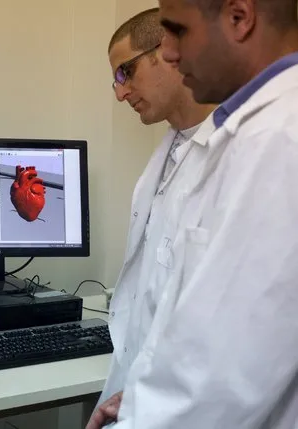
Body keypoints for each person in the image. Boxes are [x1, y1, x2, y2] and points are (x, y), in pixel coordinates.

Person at [89, 0, 298, 427]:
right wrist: (142, 395)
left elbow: (229, 369)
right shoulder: (235, 134)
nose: (170, 51)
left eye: (178, 30)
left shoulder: (279, 138)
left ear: (240, 19)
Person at [86, 8, 216, 429]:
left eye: (126, 73)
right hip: (148, 396)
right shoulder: (167, 156)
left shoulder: (233, 156)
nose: (120, 93)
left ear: (168, 51)